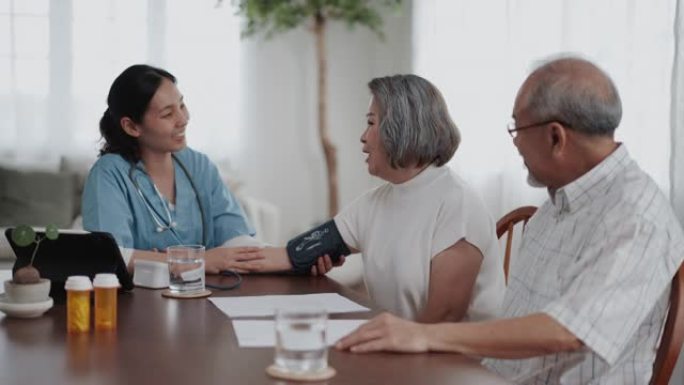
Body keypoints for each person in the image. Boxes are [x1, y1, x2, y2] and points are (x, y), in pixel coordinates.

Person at [335, 56, 684, 384]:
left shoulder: (636, 217)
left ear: (555, 137)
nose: (514, 143)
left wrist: (422, 335)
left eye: (517, 128)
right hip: (491, 376)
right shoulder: (556, 205)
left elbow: (567, 332)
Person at [241, 75, 506, 322]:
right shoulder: (375, 203)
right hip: (402, 350)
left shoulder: (459, 206)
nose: (363, 137)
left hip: (461, 365)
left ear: (400, 128)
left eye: (370, 123)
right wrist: (212, 263)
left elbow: (442, 323)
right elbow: (294, 254)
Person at [82, 64, 264, 274]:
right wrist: (199, 260)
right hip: (141, 301)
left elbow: (238, 241)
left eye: (182, 105)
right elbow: (111, 255)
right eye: (168, 114)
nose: (183, 119)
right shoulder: (109, 173)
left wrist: (300, 258)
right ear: (132, 126)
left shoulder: (198, 165)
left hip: (202, 295)